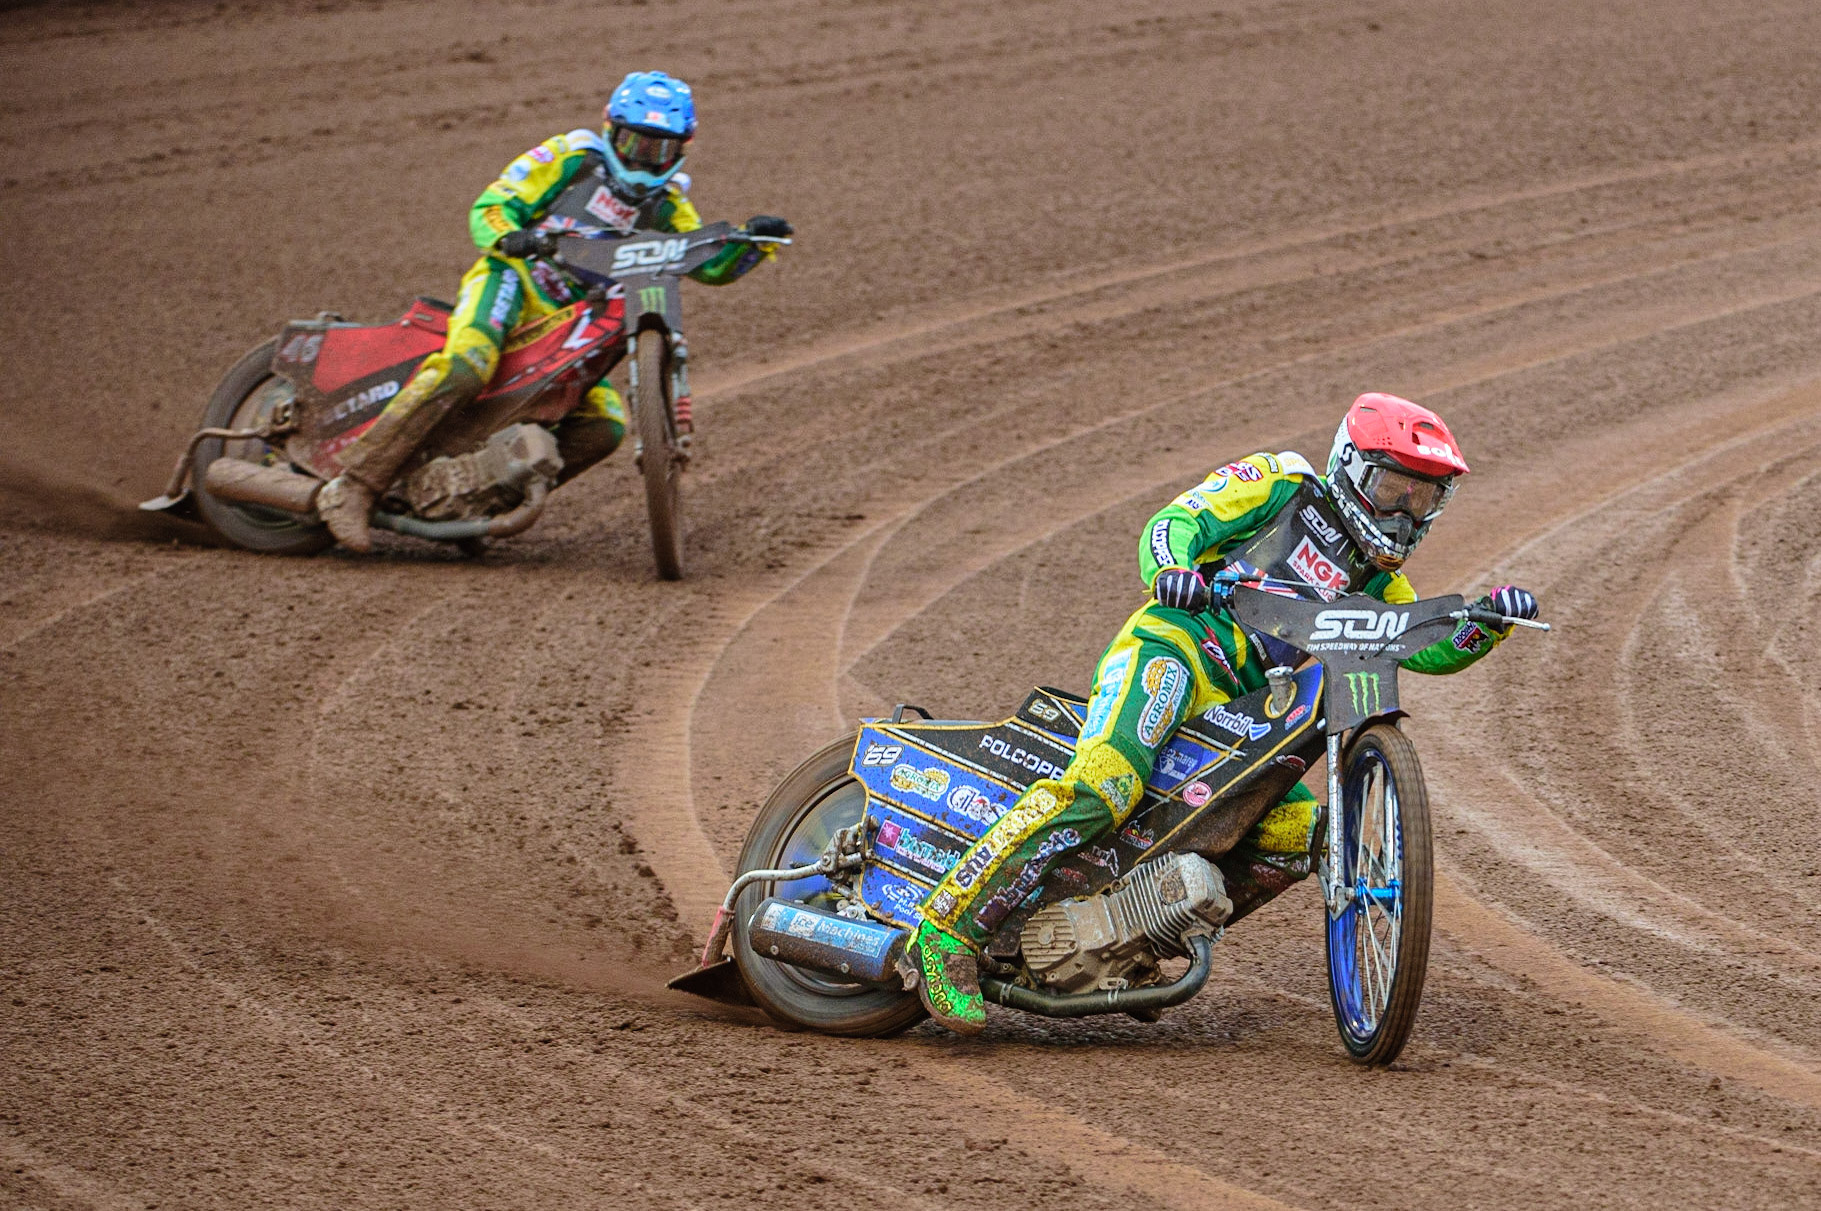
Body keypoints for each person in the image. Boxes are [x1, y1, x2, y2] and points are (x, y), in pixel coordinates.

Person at [905, 393, 1541, 1033]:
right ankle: (944, 932)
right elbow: (1175, 522)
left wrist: (1487, 623)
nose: (1406, 512)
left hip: (1245, 718)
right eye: (1394, 487)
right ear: (1351, 467)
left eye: (1424, 498)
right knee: (1108, 782)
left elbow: (1424, 648)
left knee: (1306, 839)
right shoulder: (1282, 484)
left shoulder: (1377, 585)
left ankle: (1133, 942)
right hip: (1175, 650)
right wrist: (1172, 570)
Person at [318, 70, 791, 551]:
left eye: (660, 150)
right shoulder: (571, 158)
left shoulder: (668, 205)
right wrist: (511, 235)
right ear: (611, 129)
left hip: (572, 324)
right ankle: (355, 486)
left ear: (683, 149)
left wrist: (752, 243)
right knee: (465, 367)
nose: (644, 160)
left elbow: (704, 265)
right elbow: (494, 203)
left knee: (604, 426)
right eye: (635, 142)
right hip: (514, 284)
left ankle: (480, 503)